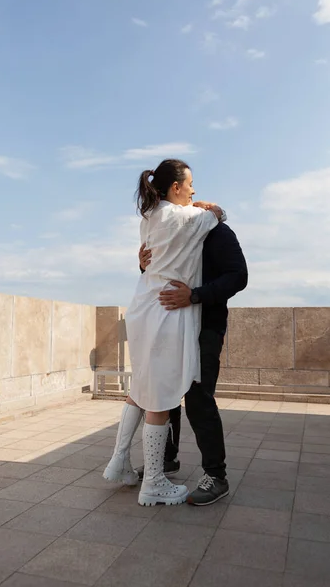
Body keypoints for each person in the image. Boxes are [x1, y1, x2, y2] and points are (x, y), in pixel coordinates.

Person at [103, 159, 225, 506]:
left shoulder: (149, 216)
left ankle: (119, 461)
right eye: (190, 185)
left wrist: (142, 262)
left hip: (142, 306)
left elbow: (148, 259)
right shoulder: (188, 217)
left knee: (140, 389)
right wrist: (206, 206)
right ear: (176, 187)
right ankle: (154, 481)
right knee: (158, 397)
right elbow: (220, 212)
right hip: (166, 311)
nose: (193, 191)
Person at [137, 208, 248, 505]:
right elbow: (160, 276)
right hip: (171, 325)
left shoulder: (218, 233)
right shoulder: (175, 234)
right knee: (164, 392)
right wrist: (143, 265)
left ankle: (216, 475)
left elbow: (238, 276)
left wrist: (195, 295)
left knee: (198, 398)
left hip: (205, 328)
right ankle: (165, 462)